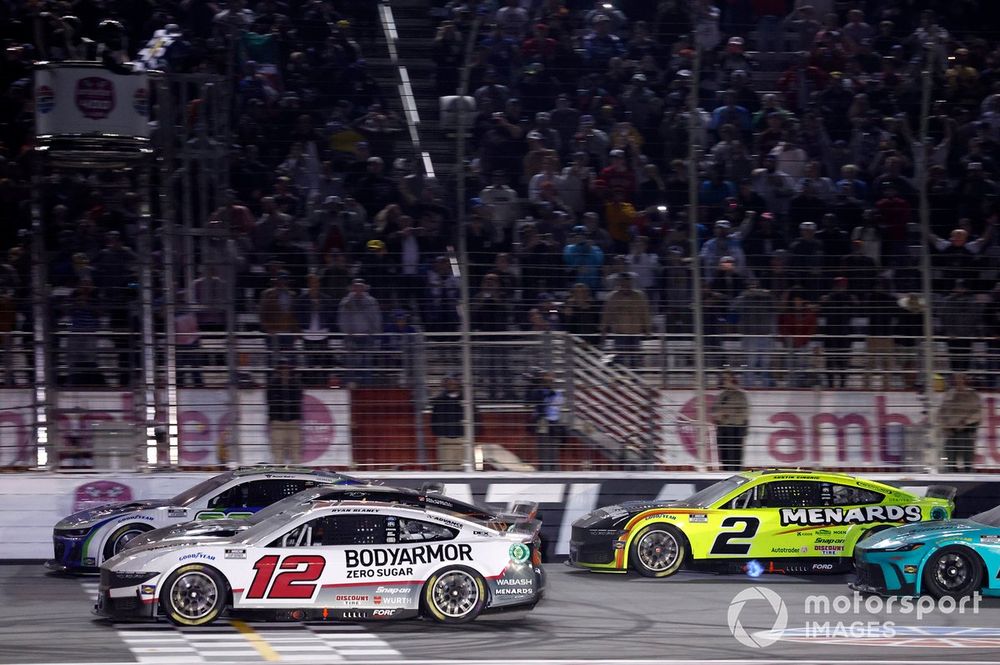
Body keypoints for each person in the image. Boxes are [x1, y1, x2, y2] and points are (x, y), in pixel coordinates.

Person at [600, 272, 652, 368]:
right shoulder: (612, 297)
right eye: (623, 283)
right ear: (619, 283)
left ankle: (635, 379)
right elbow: (606, 315)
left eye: (628, 283)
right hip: (620, 332)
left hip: (635, 332)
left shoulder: (639, 296)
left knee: (635, 359)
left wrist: (647, 329)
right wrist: (604, 329)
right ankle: (621, 379)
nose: (625, 285)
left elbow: (645, 313)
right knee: (620, 358)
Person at [337, 279, 382, 386]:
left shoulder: (371, 301)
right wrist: (347, 331)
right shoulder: (346, 302)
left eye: (360, 286)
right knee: (350, 363)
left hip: (367, 336)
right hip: (351, 337)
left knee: (367, 362)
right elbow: (341, 319)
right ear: (352, 288)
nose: (358, 289)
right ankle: (349, 387)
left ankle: (367, 387)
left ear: (364, 288)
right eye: (356, 286)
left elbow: (376, 318)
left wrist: (374, 332)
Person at [938, 373, 981, 473]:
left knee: (967, 455)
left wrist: (966, 422)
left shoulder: (972, 395)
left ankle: (968, 472)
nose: (958, 380)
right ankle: (950, 471)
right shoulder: (949, 394)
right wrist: (944, 425)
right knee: (949, 454)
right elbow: (941, 412)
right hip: (950, 431)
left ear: (965, 379)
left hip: (965, 430)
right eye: (956, 377)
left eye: (961, 378)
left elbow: (978, 413)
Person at [266, 358, 303, 465]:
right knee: (278, 453)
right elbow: (271, 401)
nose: (285, 371)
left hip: (293, 422)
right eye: (282, 368)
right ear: (278, 370)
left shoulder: (296, 383)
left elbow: (298, 400)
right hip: (278, 422)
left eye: (287, 368)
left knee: (296, 453)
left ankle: (298, 476)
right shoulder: (273, 384)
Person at [710, 370, 749, 471]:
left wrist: (727, 413)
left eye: (726, 379)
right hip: (724, 428)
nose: (724, 381)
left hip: (735, 428)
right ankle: (726, 472)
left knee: (736, 454)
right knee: (724, 453)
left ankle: (735, 472)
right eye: (724, 379)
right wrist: (723, 415)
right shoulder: (722, 395)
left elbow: (744, 414)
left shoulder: (740, 395)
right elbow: (714, 411)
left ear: (732, 380)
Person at [527, 370, 565, 471]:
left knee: (553, 449)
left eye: (550, 377)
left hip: (552, 422)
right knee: (543, 449)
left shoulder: (556, 393)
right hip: (542, 422)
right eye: (546, 377)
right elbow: (530, 401)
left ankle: (554, 470)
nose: (548, 379)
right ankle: (543, 469)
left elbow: (557, 406)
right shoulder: (538, 391)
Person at [431, 375, 465, 470]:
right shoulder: (439, 401)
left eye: (453, 381)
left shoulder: (467, 399)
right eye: (449, 382)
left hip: (463, 440)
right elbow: (434, 419)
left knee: (464, 468)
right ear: (444, 384)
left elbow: (475, 417)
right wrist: (440, 434)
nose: (451, 384)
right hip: (445, 440)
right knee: (446, 469)